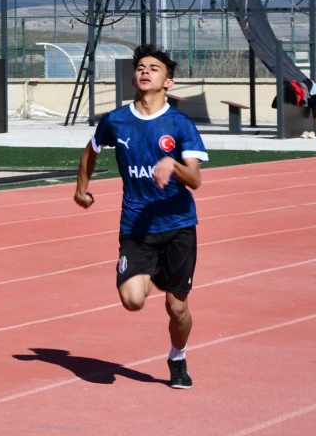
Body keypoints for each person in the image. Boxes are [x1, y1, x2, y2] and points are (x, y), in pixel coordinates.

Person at [74, 44, 207, 390]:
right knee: (133, 301)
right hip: (135, 225)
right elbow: (91, 151)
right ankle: (154, 270)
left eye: (155, 68)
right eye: (141, 67)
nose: (145, 71)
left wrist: (173, 165)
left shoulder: (179, 124)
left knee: (177, 309)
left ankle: (177, 357)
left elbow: (195, 180)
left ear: (169, 82)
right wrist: (80, 188)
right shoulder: (116, 120)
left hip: (178, 226)